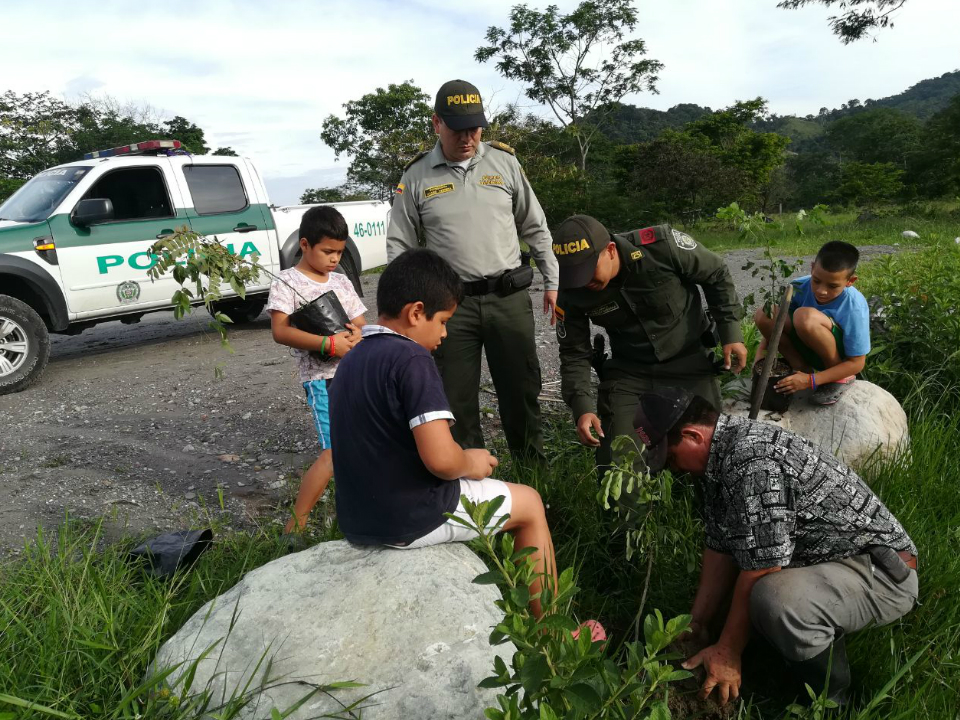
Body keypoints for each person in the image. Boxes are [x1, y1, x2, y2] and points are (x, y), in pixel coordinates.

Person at [632, 387, 918, 706]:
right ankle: (775, 645)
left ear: (693, 436)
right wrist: (697, 622)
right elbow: (719, 547)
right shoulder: (718, 458)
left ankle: (831, 701)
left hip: (880, 573)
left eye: (670, 457)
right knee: (745, 606)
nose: (673, 469)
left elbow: (764, 566)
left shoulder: (753, 462)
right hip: (823, 560)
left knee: (774, 599)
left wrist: (728, 651)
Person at [328, 248, 572, 622]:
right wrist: (471, 461)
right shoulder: (412, 359)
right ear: (415, 312)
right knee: (530, 504)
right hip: (409, 516)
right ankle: (551, 632)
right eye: (442, 321)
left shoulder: (353, 358)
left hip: (357, 519)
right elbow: (442, 461)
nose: (444, 334)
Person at [386, 79, 559, 466]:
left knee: (521, 390)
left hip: (508, 298)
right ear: (436, 124)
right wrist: (402, 310)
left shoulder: (504, 162)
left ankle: (534, 474)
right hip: (450, 308)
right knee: (453, 399)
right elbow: (399, 246)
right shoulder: (416, 175)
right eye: (458, 127)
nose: (468, 137)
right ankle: (468, 485)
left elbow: (535, 226)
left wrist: (553, 280)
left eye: (475, 127)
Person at [552, 214, 746, 469]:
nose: (584, 282)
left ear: (610, 250)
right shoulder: (571, 291)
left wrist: (731, 333)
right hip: (631, 371)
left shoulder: (662, 247)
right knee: (619, 459)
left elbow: (716, 273)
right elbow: (573, 353)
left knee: (710, 450)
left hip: (689, 361)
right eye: (575, 276)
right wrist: (582, 407)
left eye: (588, 271)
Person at [266, 206, 367, 533]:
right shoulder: (286, 281)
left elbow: (360, 320)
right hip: (322, 380)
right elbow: (281, 331)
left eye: (339, 252)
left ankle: (357, 508)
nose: (334, 258)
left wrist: (355, 333)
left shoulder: (340, 280)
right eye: (327, 251)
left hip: (352, 374)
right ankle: (296, 524)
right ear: (305, 245)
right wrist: (326, 345)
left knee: (362, 443)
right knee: (335, 451)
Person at [754, 240, 869, 406]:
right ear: (812, 267)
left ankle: (836, 379)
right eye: (816, 281)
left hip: (837, 362)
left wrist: (812, 381)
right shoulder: (798, 287)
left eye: (832, 286)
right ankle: (800, 367)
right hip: (806, 347)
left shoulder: (854, 306)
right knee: (766, 313)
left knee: (804, 317)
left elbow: (857, 363)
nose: (821, 291)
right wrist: (760, 355)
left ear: (850, 281)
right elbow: (776, 325)